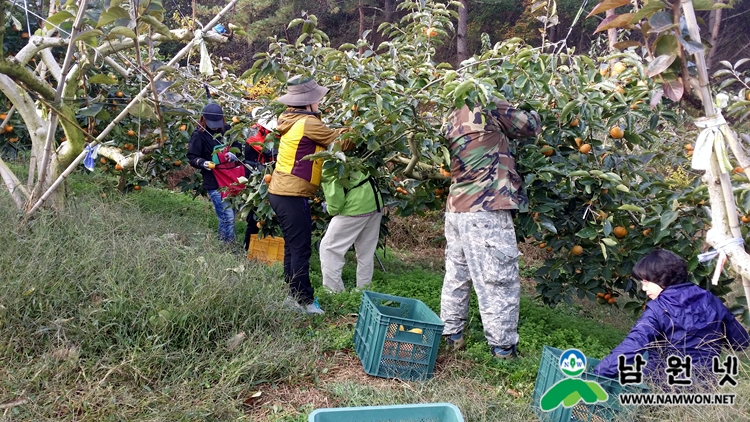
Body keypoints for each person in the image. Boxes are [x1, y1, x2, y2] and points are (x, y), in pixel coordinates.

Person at [440, 96, 541, 359]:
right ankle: (503, 349)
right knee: (498, 279)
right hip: (485, 209)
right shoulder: (489, 103)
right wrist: (532, 107)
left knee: (456, 275)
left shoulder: (452, 112)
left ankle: (452, 335)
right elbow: (530, 126)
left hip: (456, 207)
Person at [593, 249, 749, 383]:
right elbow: (741, 342)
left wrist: (596, 375)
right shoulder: (711, 301)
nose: (643, 288)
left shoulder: (659, 309)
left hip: (664, 390)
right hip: (705, 390)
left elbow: (633, 346)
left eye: (646, 282)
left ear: (663, 278)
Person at [269, 75, 353, 315]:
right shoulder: (307, 122)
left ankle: (292, 296)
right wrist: (358, 131)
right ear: (308, 102)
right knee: (301, 248)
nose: (319, 103)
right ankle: (304, 301)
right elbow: (338, 142)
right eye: (317, 100)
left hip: (281, 192)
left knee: (293, 246)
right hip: (290, 193)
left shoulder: (291, 118)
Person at [319, 156, 383, 293]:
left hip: (355, 208)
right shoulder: (349, 156)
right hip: (374, 203)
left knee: (329, 249)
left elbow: (335, 204)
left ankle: (334, 293)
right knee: (366, 252)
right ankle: (363, 291)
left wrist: (327, 207)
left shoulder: (328, 165)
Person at [187, 103, 243, 245]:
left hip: (231, 178)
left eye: (217, 123)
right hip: (214, 181)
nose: (215, 127)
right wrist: (203, 163)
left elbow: (238, 145)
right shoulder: (199, 135)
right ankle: (229, 246)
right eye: (212, 123)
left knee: (228, 216)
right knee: (228, 216)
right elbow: (192, 157)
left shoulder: (228, 129)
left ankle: (222, 244)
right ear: (203, 119)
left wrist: (234, 153)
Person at [242, 110, 278, 252]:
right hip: (255, 179)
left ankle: (264, 246)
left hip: (269, 177)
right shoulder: (253, 132)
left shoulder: (272, 135)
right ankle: (248, 248)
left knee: (269, 215)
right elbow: (266, 151)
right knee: (254, 215)